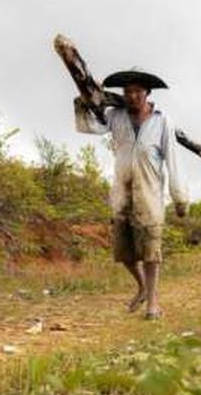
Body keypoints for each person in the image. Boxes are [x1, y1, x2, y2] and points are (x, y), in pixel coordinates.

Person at [74, 68, 189, 319]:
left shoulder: (161, 121)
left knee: (150, 252)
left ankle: (153, 304)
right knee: (124, 252)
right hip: (122, 193)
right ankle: (142, 287)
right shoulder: (116, 116)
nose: (132, 96)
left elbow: (173, 159)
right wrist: (82, 101)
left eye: (137, 91)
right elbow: (89, 126)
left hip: (150, 194)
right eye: (127, 91)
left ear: (147, 93)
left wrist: (180, 197)